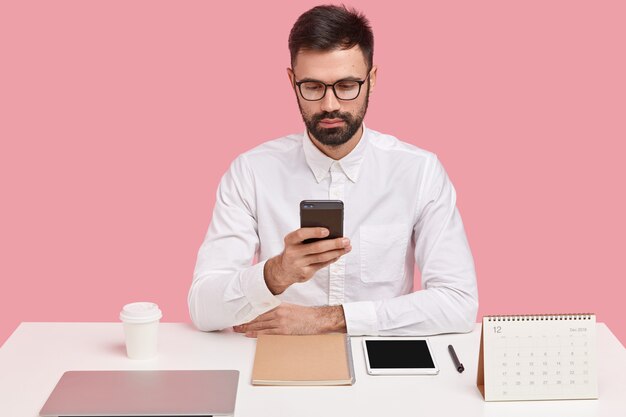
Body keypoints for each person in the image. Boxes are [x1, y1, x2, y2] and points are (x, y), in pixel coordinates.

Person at [188, 5, 478, 337]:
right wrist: (275, 274)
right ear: (291, 81)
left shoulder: (419, 171)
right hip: (281, 356)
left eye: (346, 85)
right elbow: (202, 307)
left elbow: (459, 303)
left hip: (381, 361)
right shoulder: (251, 172)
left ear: (372, 80)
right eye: (312, 87)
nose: (329, 105)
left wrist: (330, 319)